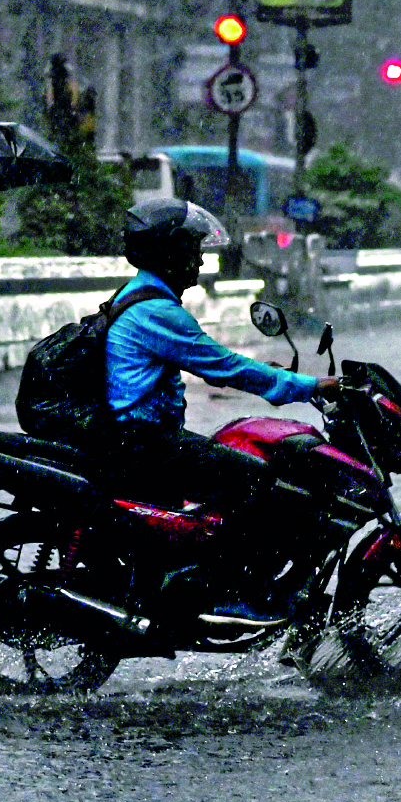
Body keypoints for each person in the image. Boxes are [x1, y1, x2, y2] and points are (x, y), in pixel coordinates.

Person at [99, 198, 337, 626]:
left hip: (135, 435)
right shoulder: (157, 310)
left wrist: (266, 375)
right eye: (191, 249)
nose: (201, 258)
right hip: (145, 441)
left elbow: (210, 363)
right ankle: (234, 593)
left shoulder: (139, 294)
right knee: (257, 477)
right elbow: (225, 366)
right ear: (168, 253)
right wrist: (308, 386)